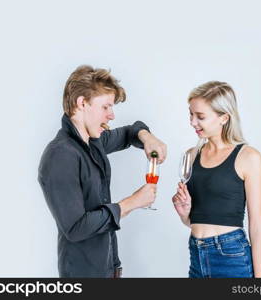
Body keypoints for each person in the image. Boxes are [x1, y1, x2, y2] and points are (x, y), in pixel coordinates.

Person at [38, 65, 167, 278]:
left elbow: (129, 133)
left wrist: (146, 137)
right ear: (81, 103)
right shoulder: (60, 156)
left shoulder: (94, 141)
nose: (112, 115)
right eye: (106, 107)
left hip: (109, 270)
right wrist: (132, 202)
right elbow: (76, 228)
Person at [172, 81, 261, 278]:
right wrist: (185, 214)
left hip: (231, 257)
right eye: (191, 114)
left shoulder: (248, 157)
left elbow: (256, 226)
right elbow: (197, 220)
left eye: (200, 117)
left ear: (224, 118)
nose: (192, 122)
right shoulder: (191, 155)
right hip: (196, 255)